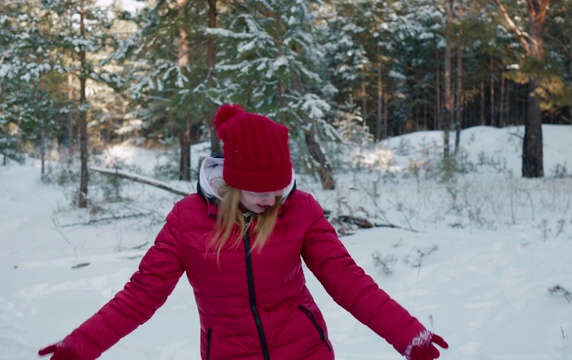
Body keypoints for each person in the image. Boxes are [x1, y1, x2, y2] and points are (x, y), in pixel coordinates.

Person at [38, 104, 448, 360]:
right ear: (233, 182)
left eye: (279, 189)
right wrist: (81, 345)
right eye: (262, 192)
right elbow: (140, 295)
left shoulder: (299, 209)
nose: (273, 201)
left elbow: (348, 281)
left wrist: (407, 334)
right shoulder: (186, 221)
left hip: (305, 351)